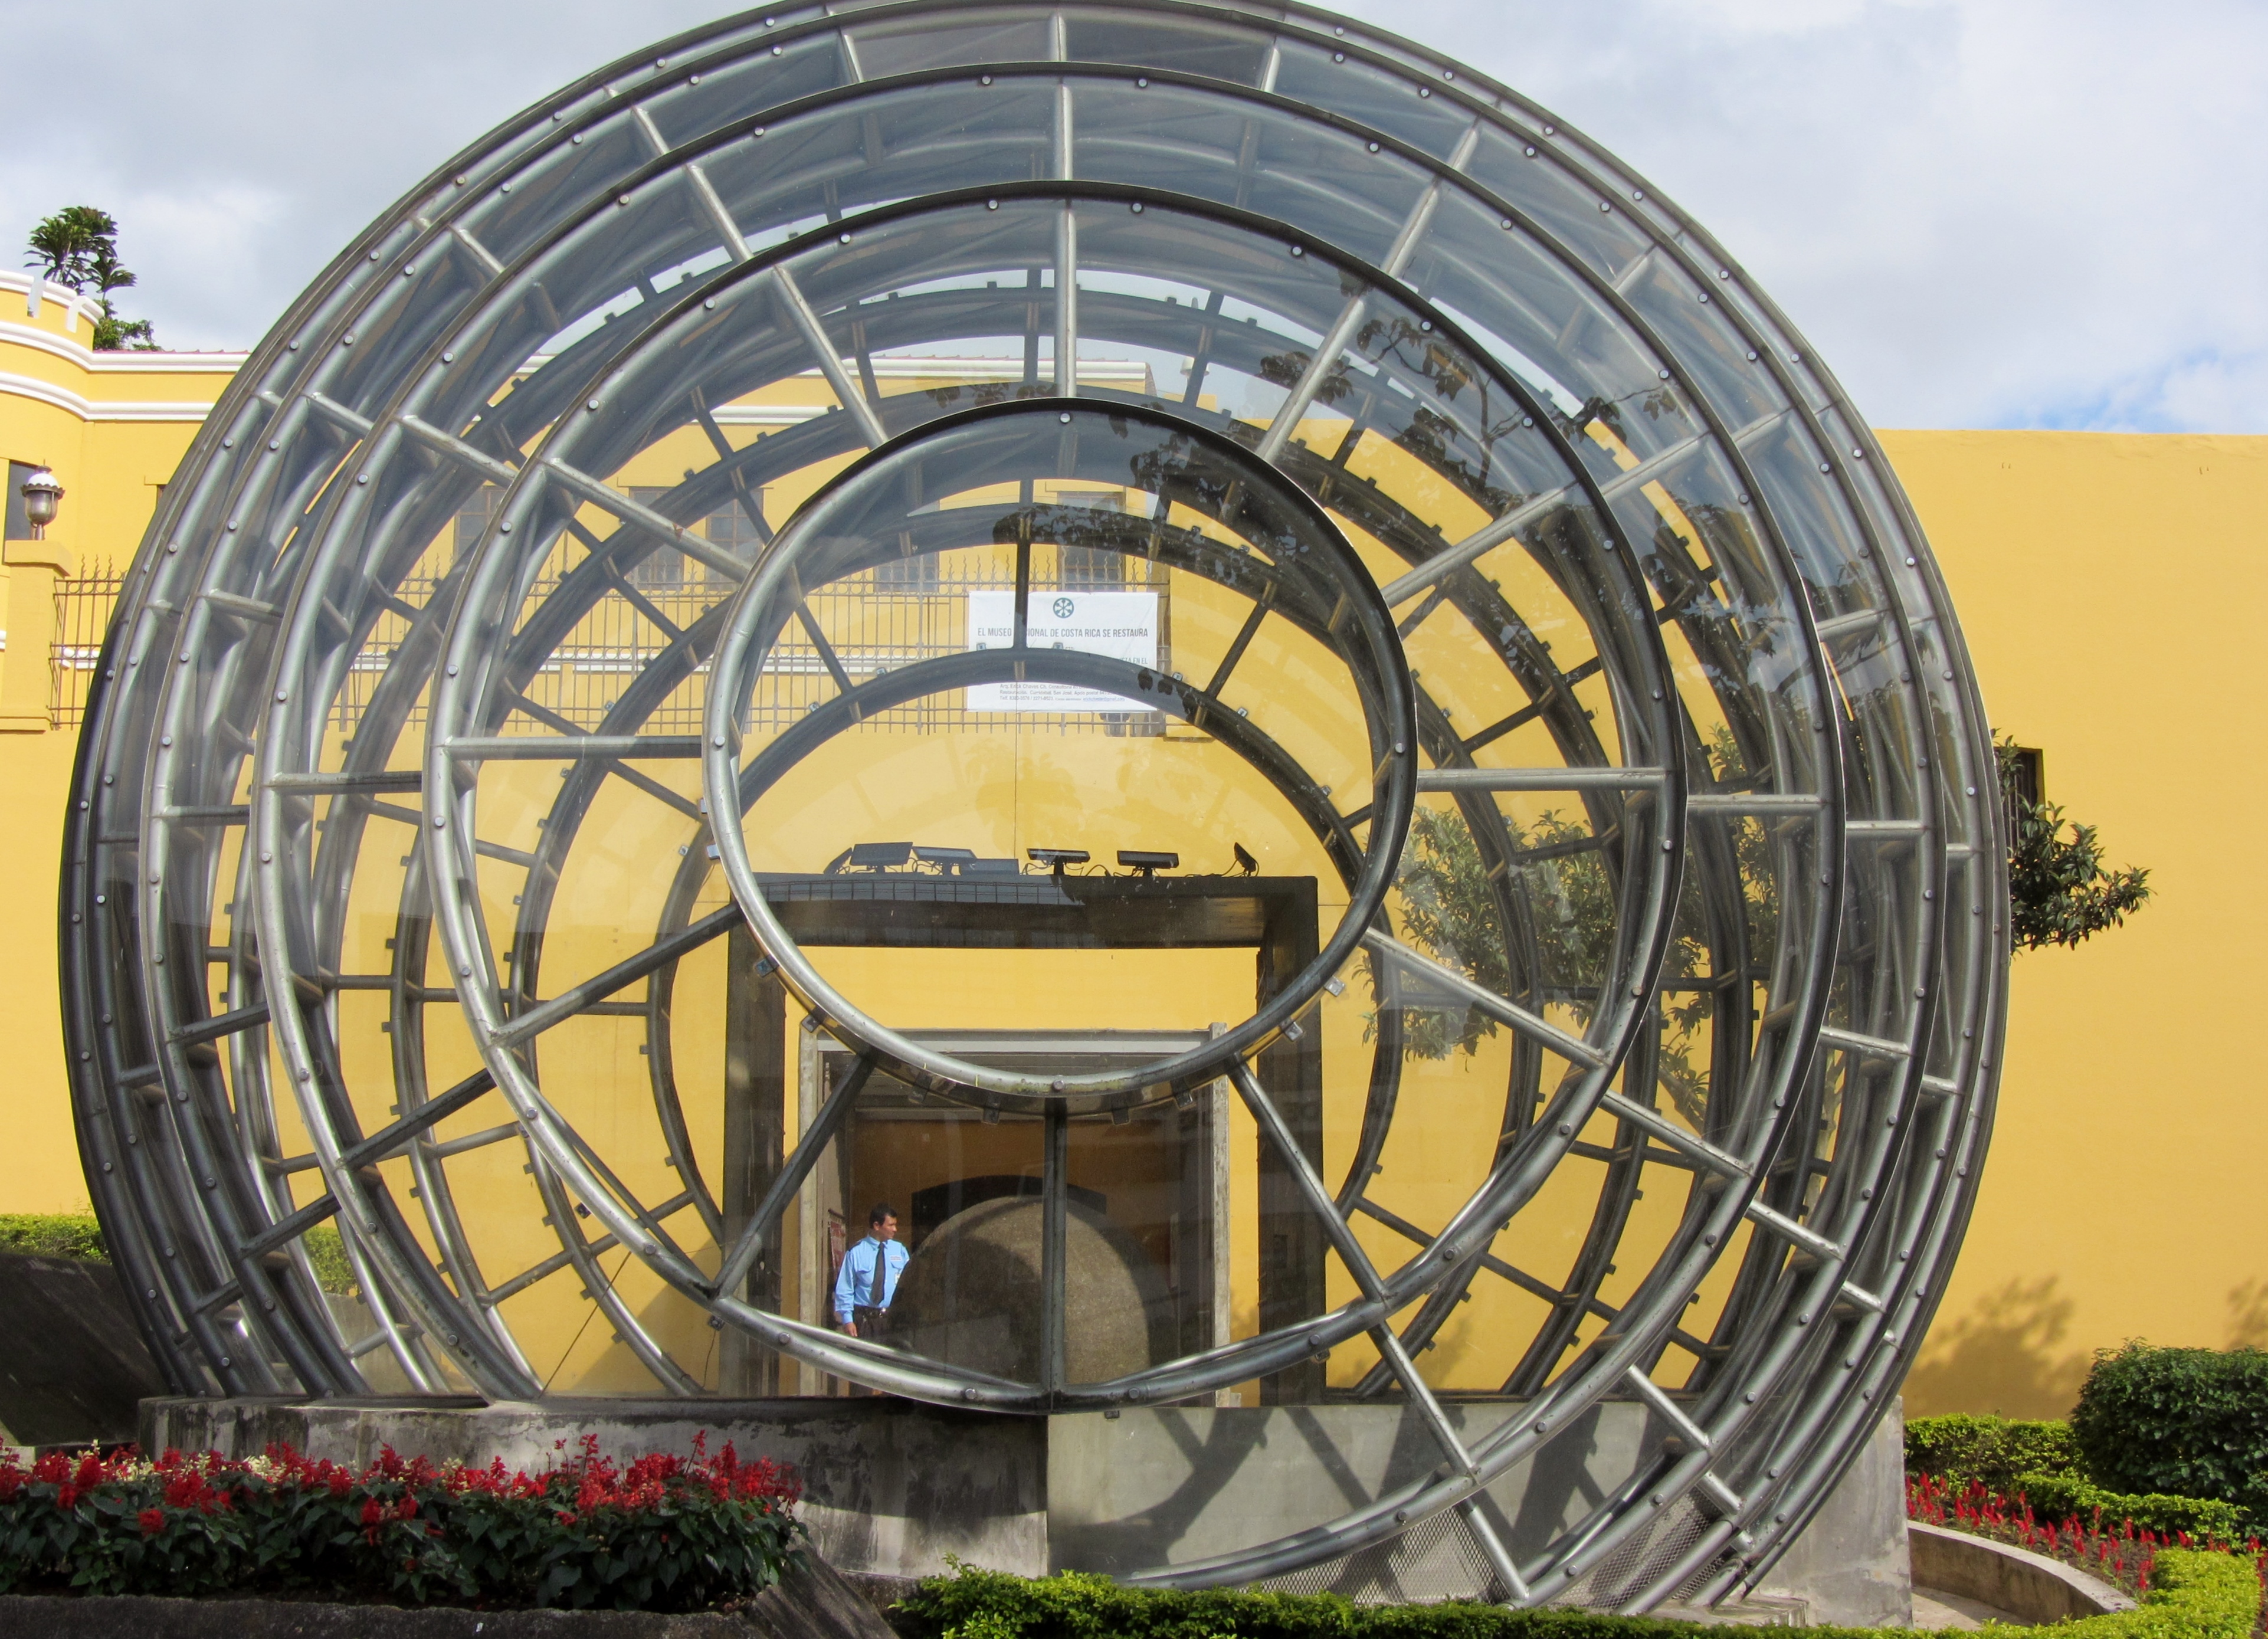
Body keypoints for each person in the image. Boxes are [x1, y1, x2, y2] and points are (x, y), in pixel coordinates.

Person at [833, 1203, 907, 1340]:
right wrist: (848, 1320)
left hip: (892, 1320)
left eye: (895, 1225)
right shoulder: (857, 1252)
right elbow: (845, 1288)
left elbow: (909, 1282)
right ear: (877, 1226)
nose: (895, 1229)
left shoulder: (900, 1250)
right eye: (891, 1225)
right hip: (865, 1320)